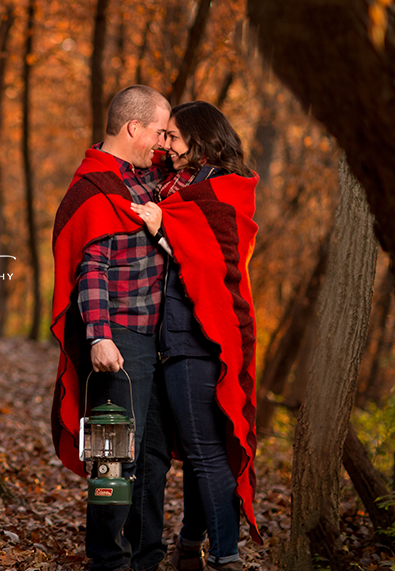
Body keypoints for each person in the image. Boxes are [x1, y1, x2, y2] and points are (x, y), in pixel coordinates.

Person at [131, 101, 263, 570]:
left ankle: (225, 557)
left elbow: (213, 262)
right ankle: (189, 544)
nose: (165, 145)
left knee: (206, 452)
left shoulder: (222, 188)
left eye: (173, 136)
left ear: (201, 139)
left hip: (200, 335)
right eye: (162, 135)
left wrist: (163, 227)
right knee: (194, 446)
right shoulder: (178, 182)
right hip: (174, 334)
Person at [50, 84, 172, 571]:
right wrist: (99, 334)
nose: (163, 143)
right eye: (159, 133)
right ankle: (107, 561)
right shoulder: (96, 188)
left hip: (158, 343)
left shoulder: (145, 178)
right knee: (114, 458)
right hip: (117, 345)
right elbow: (90, 268)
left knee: (153, 460)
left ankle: (145, 559)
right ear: (132, 128)